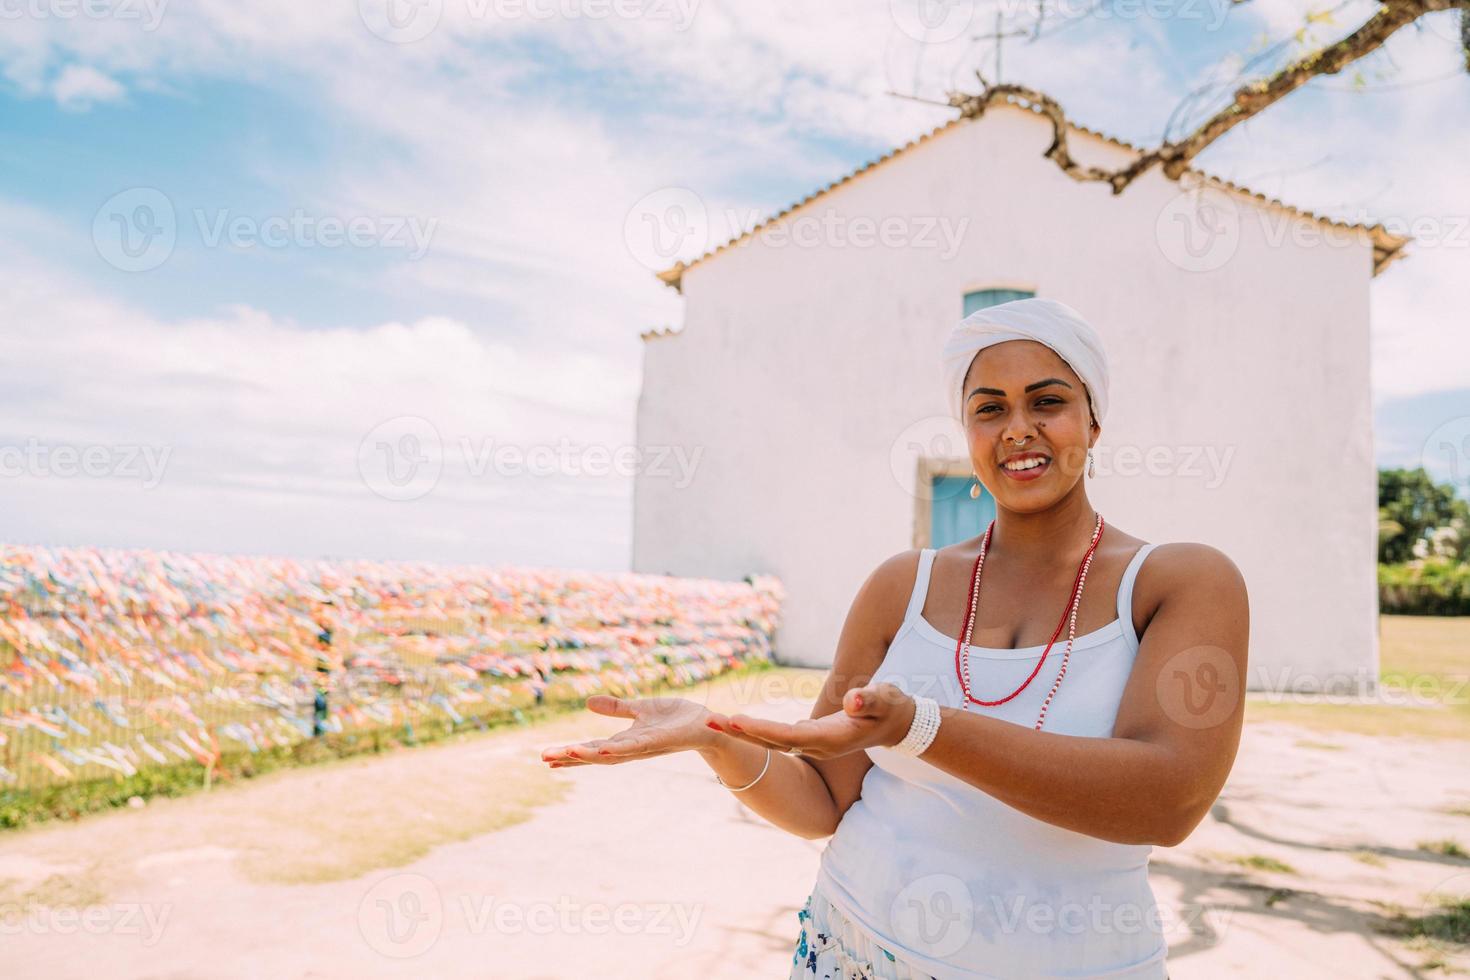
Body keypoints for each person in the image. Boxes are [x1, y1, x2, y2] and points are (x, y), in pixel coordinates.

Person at [540, 298, 1249, 979]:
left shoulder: (1179, 580)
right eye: (989, 409)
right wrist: (717, 739)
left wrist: (921, 726)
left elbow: (1169, 800)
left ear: (1093, 422)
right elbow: (822, 800)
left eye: (1048, 401)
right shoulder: (902, 585)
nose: (1017, 427)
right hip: (852, 948)